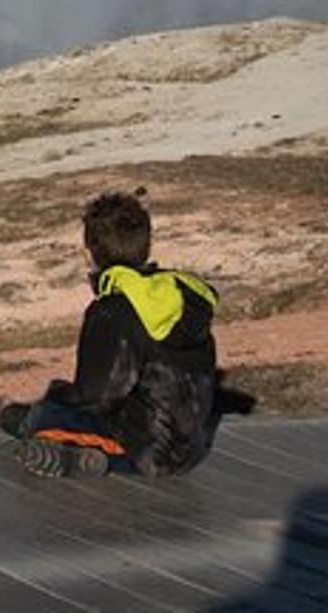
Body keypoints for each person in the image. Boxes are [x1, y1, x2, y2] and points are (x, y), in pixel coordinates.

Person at [13, 191, 219, 478]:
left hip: (146, 450)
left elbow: (98, 393)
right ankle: (77, 449)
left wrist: (58, 396)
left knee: (49, 410)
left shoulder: (112, 310)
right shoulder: (185, 299)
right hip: (192, 446)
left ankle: (74, 446)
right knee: (53, 408)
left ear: (91, 252)